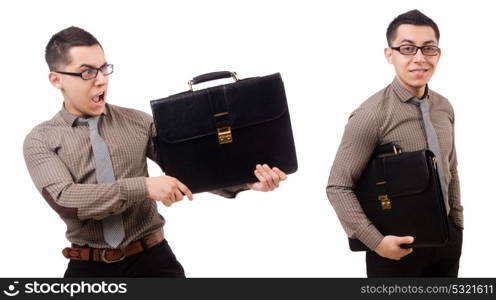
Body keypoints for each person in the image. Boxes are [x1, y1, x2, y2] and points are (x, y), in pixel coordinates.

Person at [23, 26, 287, 277]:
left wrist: (245, 181)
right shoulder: (41, 140)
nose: (101, 80)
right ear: (56, 79)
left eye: (104, 68)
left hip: (154, 262)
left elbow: (190, 170)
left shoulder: (139, 122)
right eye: (87, 72)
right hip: (88, 268)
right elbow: (66, 200)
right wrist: (145, 187)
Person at [326, 10, 463, 277]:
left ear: (439, 53)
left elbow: (451, 168)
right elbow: (338, 186)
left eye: (428, 48)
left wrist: (457, 222)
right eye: (408, 48)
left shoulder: (444, 107)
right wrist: (376, 242)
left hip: (447, 243)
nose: (419, 58)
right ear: (390, 54)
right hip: (395, 249)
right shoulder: (371, 115)